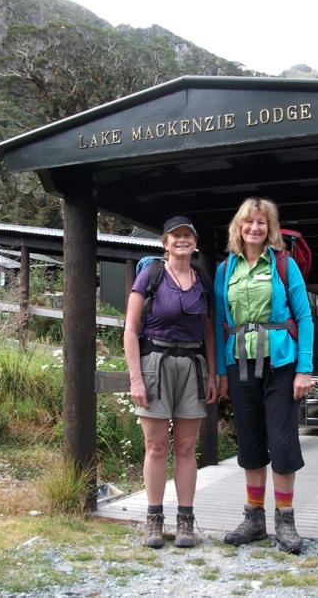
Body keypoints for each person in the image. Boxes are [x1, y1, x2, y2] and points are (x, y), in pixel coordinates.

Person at [214, 197, 314, 554]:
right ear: (238, 228)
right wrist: (220, 372)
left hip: (281, 364)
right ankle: (253, 518)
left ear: (270, 229)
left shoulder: (285, 266)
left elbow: (303, 318)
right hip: (239, 361)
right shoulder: (225, 269)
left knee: (283, 441)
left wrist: (304, 369)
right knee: (251, 440)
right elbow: (220, 323)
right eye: (248, 222)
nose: (254, 228)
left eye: (261, 222)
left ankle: (285, 519)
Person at [124, 216, 217, 549]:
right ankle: (153, 520)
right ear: (165, 242)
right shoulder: (150, 276)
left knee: (186, 448)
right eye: (175, 236)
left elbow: (208, 332)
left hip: (192, 366)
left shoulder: (202, 281)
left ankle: (186, 522)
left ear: (194, 242)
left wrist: (212, 373)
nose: (182, 240)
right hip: (155, 364)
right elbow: (131, 330)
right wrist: (136, 379)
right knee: (156, 447)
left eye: (188, 236)